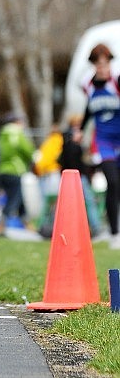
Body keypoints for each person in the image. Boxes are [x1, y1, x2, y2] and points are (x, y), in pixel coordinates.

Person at [78, 43, 120, 248]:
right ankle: (114, 233)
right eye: (99, 64)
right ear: (94, 65)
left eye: (106, 63)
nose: (103, 68)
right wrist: (80, 129)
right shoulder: (88, 85)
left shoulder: (117, 82)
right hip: (104, 141)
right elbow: (88, 109)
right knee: (112, 182)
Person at [0, 113, 35, 230]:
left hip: (1, 170)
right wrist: (33, 157)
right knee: (15, 197)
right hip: (14, 169)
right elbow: (27, 150)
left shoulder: (1, 134)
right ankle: (1, 223)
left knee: (18, 196)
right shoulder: (16, 133)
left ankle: (27, 222)